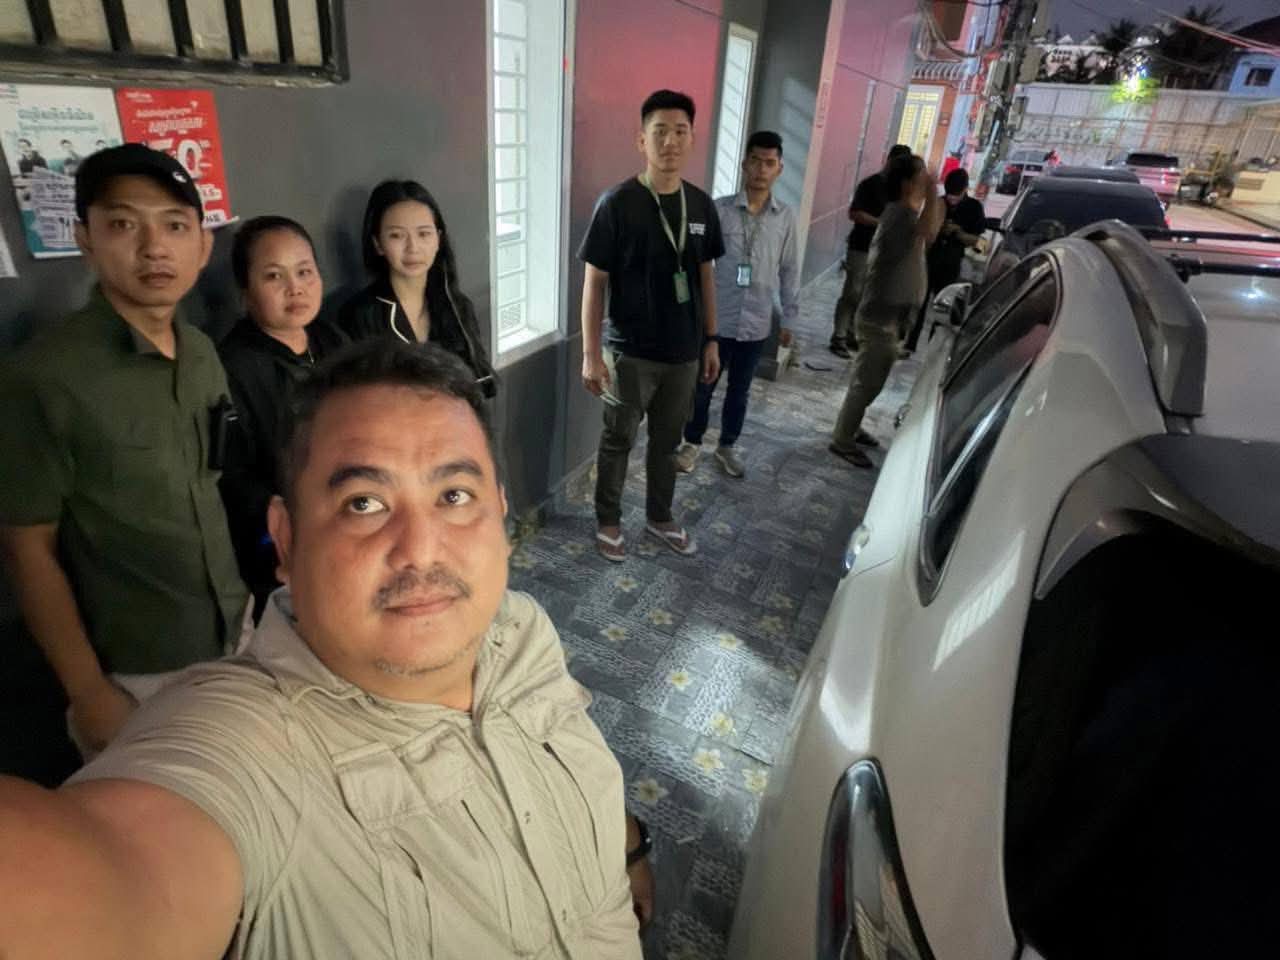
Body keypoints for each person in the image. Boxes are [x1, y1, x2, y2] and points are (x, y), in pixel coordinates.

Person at [0, 341, 654, 958]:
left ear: (501, 513)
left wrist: (625, 851)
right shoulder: (251, 744)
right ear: (286, 540)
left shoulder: (519, 627)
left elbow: (565, 748)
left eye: (454, 496)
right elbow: (96, 886)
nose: (421, 549)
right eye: (364, 503)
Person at [0, 144, 248, 757]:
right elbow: (27, 548)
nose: (154, 248)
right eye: (123, 225)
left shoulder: (202, 354)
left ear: (203, 246)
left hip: (236, 632)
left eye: (174, 226)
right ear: (85, 240)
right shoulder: (45, 378)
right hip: (136, 672)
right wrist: (88, 691)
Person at [579, 89, 725, 561]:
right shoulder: (617, 204)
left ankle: (660, 518)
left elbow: (705, 276)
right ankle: (608, 520)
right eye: (659, 132)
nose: (670, 142)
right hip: (629, 352)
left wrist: (711, 339)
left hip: (683, 353)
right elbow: (594, 283)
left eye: (680, 132)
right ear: (641, 141)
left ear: (692, 139)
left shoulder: (701, 206)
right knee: (618, 439)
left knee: (667, 443)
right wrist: (591, 354)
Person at [218, 216, 346, 619]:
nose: (296, 287)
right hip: (288, 544)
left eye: (305, 272)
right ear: (245, 293)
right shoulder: (232, 367)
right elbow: (232, 477)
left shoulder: (332, 339)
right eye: (274, 276)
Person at [674, 130, 797, 480]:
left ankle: (727, 445)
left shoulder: (785, 217)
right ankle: (691, 443)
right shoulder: (719, 210)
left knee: (740, 391)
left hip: (756, 322)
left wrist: (790, 318)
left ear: (779, 169)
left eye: (769, 163)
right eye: (755, 161)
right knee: (703, 386)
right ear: (744, 164)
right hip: (717, 320)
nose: (761, 169)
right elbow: (697, 265)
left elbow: (789, 269)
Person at [829, 153, 943, 469]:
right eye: (921, 177)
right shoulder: (900, 216)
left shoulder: (902, 214)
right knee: (867, 382)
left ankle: (850, 427)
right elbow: (930, 231)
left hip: (888, 317)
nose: (925, 182)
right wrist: (934, 192)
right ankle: (842, 439)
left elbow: (930, 231)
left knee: (869, 379)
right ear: (908, 183)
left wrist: (931, 195)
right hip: (879, 319)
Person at [339, 179, 496, 398]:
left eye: (423, 234)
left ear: (438, 239)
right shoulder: (359, 315)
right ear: (378, 244)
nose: (412, 248)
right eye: (396, 235)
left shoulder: (458, 306)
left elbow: (478, 389)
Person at [831, 144, 912, 358]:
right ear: (888, 160)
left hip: (885, 252)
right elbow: (855, 213)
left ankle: (852, 334)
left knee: (868, 297)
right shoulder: (870, 184)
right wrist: (881, 224)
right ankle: (838, 336)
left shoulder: (901, 192)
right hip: (861, 246)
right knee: (852, 292)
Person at [904, 168, 985, 354]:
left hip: (952, 262)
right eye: (949, 194)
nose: (952, 199)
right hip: (929, 259)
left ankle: (934, 347)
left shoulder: (974, 208)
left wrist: (958, 232)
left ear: (965, 189)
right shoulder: (938, 204)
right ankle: (909, 343)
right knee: (919, 302)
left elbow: (979, 242)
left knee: (944, 307)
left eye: (956, 195)